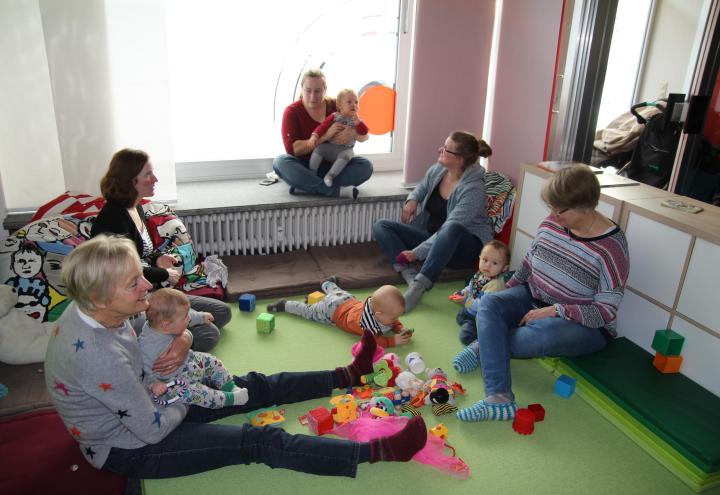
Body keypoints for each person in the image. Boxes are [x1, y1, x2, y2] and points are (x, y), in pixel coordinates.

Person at [44, 235, 427, 479]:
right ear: (99, 298)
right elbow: (153, 428)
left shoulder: (105, 311)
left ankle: (347, 374)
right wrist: (197, 394)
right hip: (133, 445)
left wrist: (183, 338)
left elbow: (154, 337)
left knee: (255, 386)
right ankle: (379, 451)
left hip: (154, 398)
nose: (147, 284)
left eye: (140, 275)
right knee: (258, 440)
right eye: (134, 283)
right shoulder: (96, 355)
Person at [454, 164, 630, 422]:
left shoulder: (611, 248)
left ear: (585, 206)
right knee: (490, 304)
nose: (553, 215)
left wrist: (556, 310)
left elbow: (604, 313)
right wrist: (504, 300)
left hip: (582, 324)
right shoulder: (553, 221)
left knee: (534, 338)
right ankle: (500, 398)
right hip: (533, 297)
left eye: (560, 210)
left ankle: (484, 346)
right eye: (552, 208)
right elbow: (527, 264)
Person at [91, 148, 231, 352]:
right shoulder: (113, 218)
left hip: (152, 291)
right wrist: (164, 273)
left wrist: (158, 258)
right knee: (208, 334)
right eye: (148, 175)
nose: (155, 179)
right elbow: (126, 270)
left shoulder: (135, 207)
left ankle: (168, 335)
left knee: (222, 312)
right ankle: (151, 346)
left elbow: (141, 252)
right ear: (130, 181)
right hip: (134, 300)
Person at [373, 131, 494, 311]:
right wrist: (412, 200)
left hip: (463, 248)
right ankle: (409, 274)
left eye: (446, 149)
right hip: (431, 237)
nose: (440, 150)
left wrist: (417, 252)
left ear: (460, 159)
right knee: (381, 226)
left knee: (452, 227)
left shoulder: (474, 189)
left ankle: (419, 286)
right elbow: (422, 187)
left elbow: (449, 228)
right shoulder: (438, 170)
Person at [139, 288, 249, 408]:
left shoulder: (164, 323)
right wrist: (153, 384)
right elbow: (143, 369)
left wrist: (201, 317)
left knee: (212, 361)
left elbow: (188, 315)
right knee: (199, 394)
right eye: (185, 317)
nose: (189, 319)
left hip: (189, 360)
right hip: (171, 382)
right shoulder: (148, 345)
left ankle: (231, 387)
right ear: (166, 325)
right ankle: (231, 399)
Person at [273, 68, 373, 198]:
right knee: (280, 162)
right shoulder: (292, 112)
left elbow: (365, 135)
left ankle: (308, 186)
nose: (313, 96)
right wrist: (325, 136)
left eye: (318, 91)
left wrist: (352, 134)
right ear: (301, 89)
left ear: (325, 90)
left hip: (335, 165)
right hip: (305, 167)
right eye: (308, 91)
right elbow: (293, 150)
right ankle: (332, 189)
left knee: (365, 165)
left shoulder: (336, 105)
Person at [266, 278, 412, 348]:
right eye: (394, 318)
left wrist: (399, 328)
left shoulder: (378, 308)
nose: (396, 320)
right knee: (308, 312)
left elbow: (391, 322)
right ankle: (284, 305)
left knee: (335, 290)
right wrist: (393, 341)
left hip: (346, 299)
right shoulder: (364, 324)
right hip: (331, 311)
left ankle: (326, 283)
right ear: (379, 315)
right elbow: (373, 341)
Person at [452, 240, 510, 348]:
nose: (488, 265)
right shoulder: (480, 274)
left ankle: (483, 343)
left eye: (495, 263)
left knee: (465, 337)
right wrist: (463, 293)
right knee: (459, 317)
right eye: (485, 260)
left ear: (504, 268)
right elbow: (470, 287)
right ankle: (471, 325)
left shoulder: (495, 285)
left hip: (483, 317)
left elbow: (484, 306)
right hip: (472, 311)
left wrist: (466, 301)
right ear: (479, 258)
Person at [309, 88, 369, 189]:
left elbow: (365, 133)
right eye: (349, 102)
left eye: (356, 102)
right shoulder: (334, 116)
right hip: (331, 148)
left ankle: (330, 176)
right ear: (340, 105)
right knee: (319, 149)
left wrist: (358, 124)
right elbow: (322, 127)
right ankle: (312, 173)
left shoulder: (356, 120)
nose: (354, 105)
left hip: (346, 150)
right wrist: (314, 135)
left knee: (349, 156)